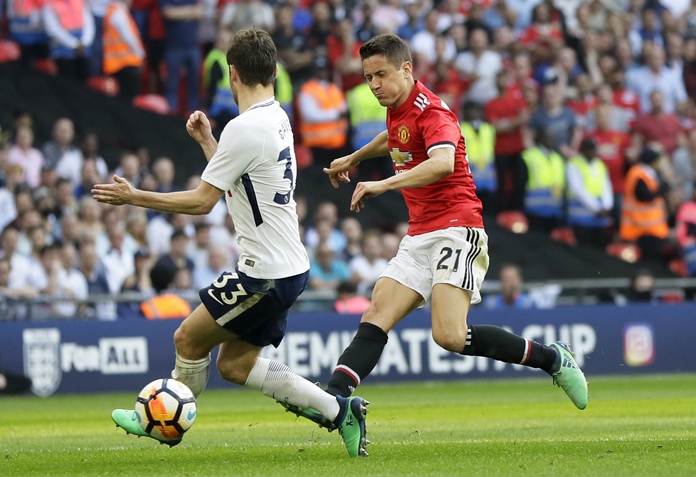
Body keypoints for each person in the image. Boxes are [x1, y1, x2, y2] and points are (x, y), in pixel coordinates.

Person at [92, 28, 368, 457]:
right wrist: (208, 142)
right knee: (235, 364)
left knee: (187, 339)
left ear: (231, 73)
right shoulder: (277, 118)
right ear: (274, 72)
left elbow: (203, 202)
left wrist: (134, 196)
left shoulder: (244, 127)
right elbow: (240, 184)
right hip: (289, 267)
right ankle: (339, 410)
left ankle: (162, 424)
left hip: (265, 274)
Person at [309, 34, 587, 420]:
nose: (374, 85)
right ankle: (334, 403)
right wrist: (354, 157)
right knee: (376, 312)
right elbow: (395, 137)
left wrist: (382, 184)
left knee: (450, 335)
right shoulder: (398, 106)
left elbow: (442, 162)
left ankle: (552, 358)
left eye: (381, 75)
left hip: (457, 227)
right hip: (419, 232)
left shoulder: (433, 112)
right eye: (368, 77)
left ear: (406, 69)